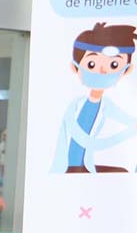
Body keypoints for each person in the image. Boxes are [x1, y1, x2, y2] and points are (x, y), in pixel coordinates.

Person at [52, 22, 137, 173]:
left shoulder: (106, 105)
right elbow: (86, 141)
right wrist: (125, 134)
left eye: (114, 65)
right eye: (91, 64)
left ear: (126, 70)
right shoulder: (75, 107)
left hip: (88, 168)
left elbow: (128, 120)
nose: (103, 71)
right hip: (69, 170)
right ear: (75, 67)